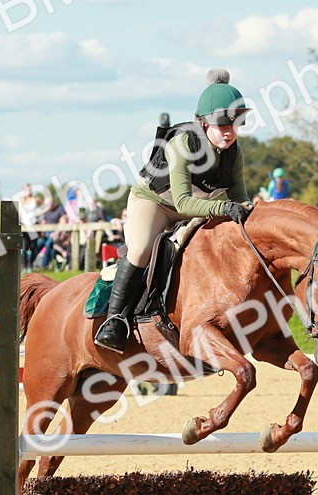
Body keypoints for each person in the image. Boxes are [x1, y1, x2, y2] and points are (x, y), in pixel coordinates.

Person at [94, 67, 253, 352]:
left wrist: (247, 210)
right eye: (222, 124)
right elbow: (182, 203)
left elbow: (240, 196)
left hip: (195, 207)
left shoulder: (235, 151)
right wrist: (225, 207)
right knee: (142, 249)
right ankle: (114, 320)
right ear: (203, 123)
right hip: (155, 203)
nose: (229, 131)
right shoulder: (182, 143)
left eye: (235, 123)